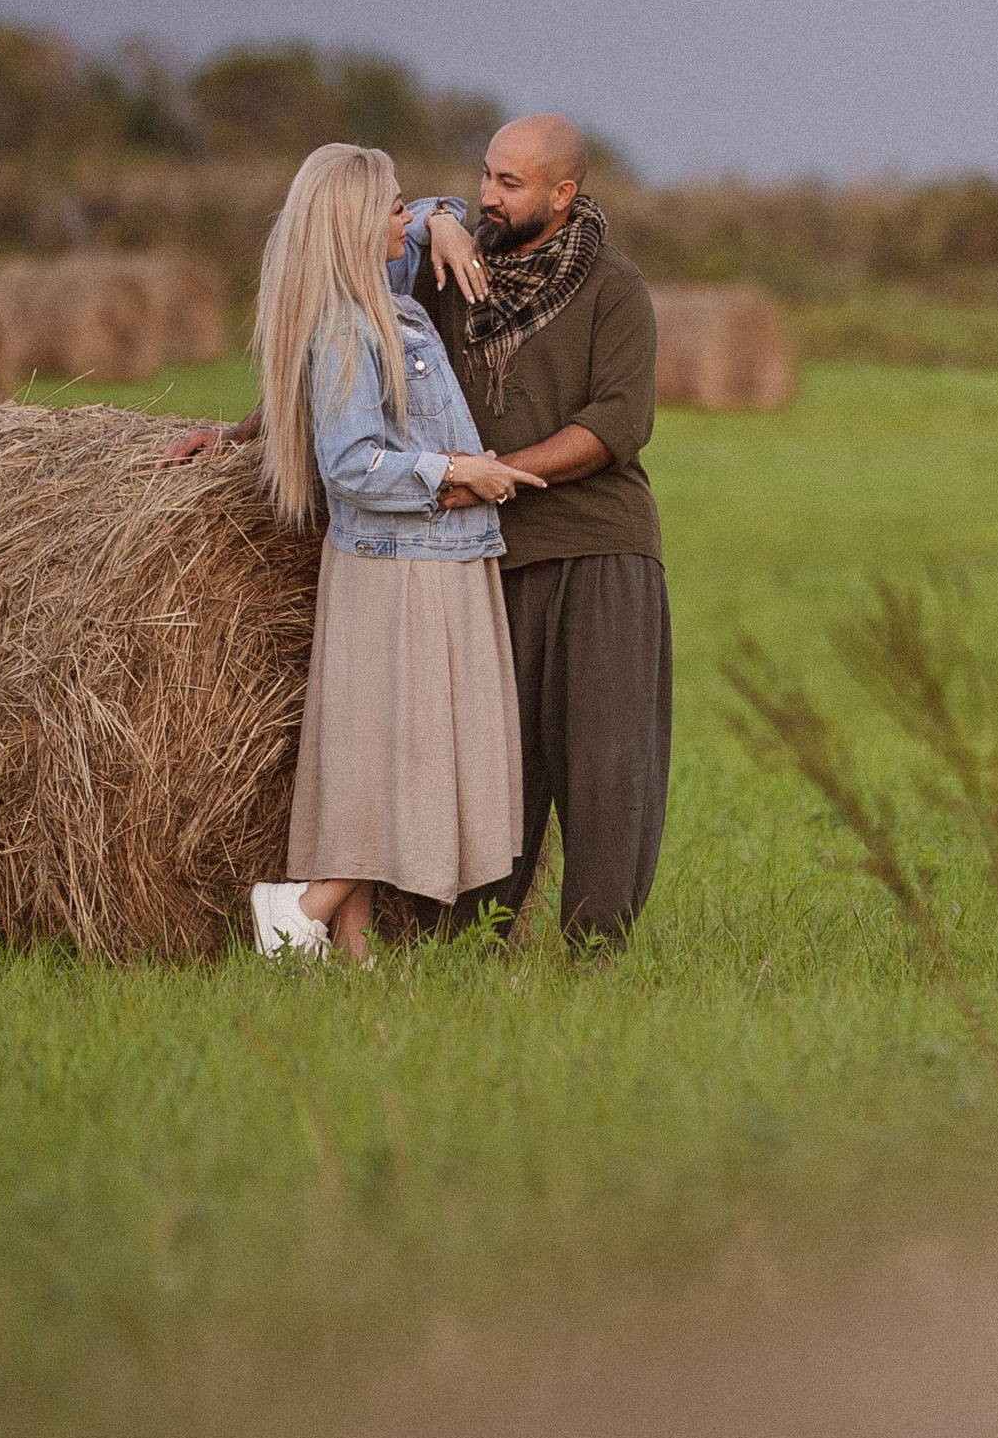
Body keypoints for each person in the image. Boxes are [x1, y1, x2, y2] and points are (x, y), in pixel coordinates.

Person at [166, 112, 667, 952]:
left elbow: (617, 423)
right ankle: (463, 948)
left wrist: (492, 471)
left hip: (593, 546)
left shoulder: (615, 289)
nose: (485, 197)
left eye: (509, 184)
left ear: (564, 193)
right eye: (484, 176)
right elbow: (336, 344)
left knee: (607, 766)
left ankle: (595, 956)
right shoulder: (445, 263)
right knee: (489, 766)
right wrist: (245, 434)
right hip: (474, 555)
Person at [236, 141, 541, 966]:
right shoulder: (343, 325)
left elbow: (427, 227)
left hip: (421, 558)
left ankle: (355, 950)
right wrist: (458, 471)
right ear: (352, 222)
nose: (406, 219)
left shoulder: (377, 290)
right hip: (402, 564)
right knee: (405, 754)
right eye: (394, 206)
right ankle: (301, 905)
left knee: (374, 749)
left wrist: (443, 219)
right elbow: (350, 462)